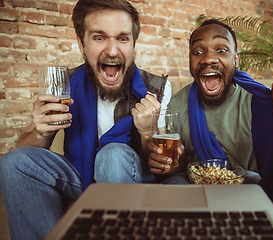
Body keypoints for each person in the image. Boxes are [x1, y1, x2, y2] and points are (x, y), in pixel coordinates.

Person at [146, 19, 273, 239]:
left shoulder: (264, 103)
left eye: (221, 49)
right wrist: (170, 164)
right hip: (194, 188)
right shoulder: (176, 105)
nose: (208, 58)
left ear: (235, 59)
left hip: (250, 189)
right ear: (190, 61)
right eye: (198, 51)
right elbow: (178, 164)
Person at [0, 0, 172, 239]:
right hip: (79, 172)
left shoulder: (157, 88)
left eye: (122, 39)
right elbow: (25, 152)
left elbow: (160, 161)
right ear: (81, 44)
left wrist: (146, 134)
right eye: (99, 38)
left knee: (112, 154)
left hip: (129, 171)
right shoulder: (65, 84)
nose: (112, 51)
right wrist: (41, 132)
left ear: (133, 45)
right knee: (13, 162)